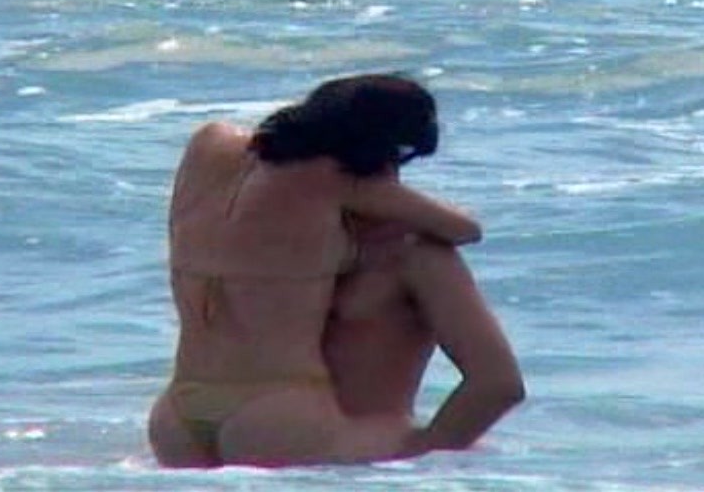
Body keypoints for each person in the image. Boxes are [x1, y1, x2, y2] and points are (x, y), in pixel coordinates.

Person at [147, 74, 486, 467]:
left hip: (175, 417)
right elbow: (465, 229)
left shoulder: (206, 145)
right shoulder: (336, 180)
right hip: (276, 411)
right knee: (450, 449)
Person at [325, 211, 524, 455]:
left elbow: (497, 384)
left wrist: (424, 451)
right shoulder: (291, 252)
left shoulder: (413, 254)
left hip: (367, 462)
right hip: (300, 465)